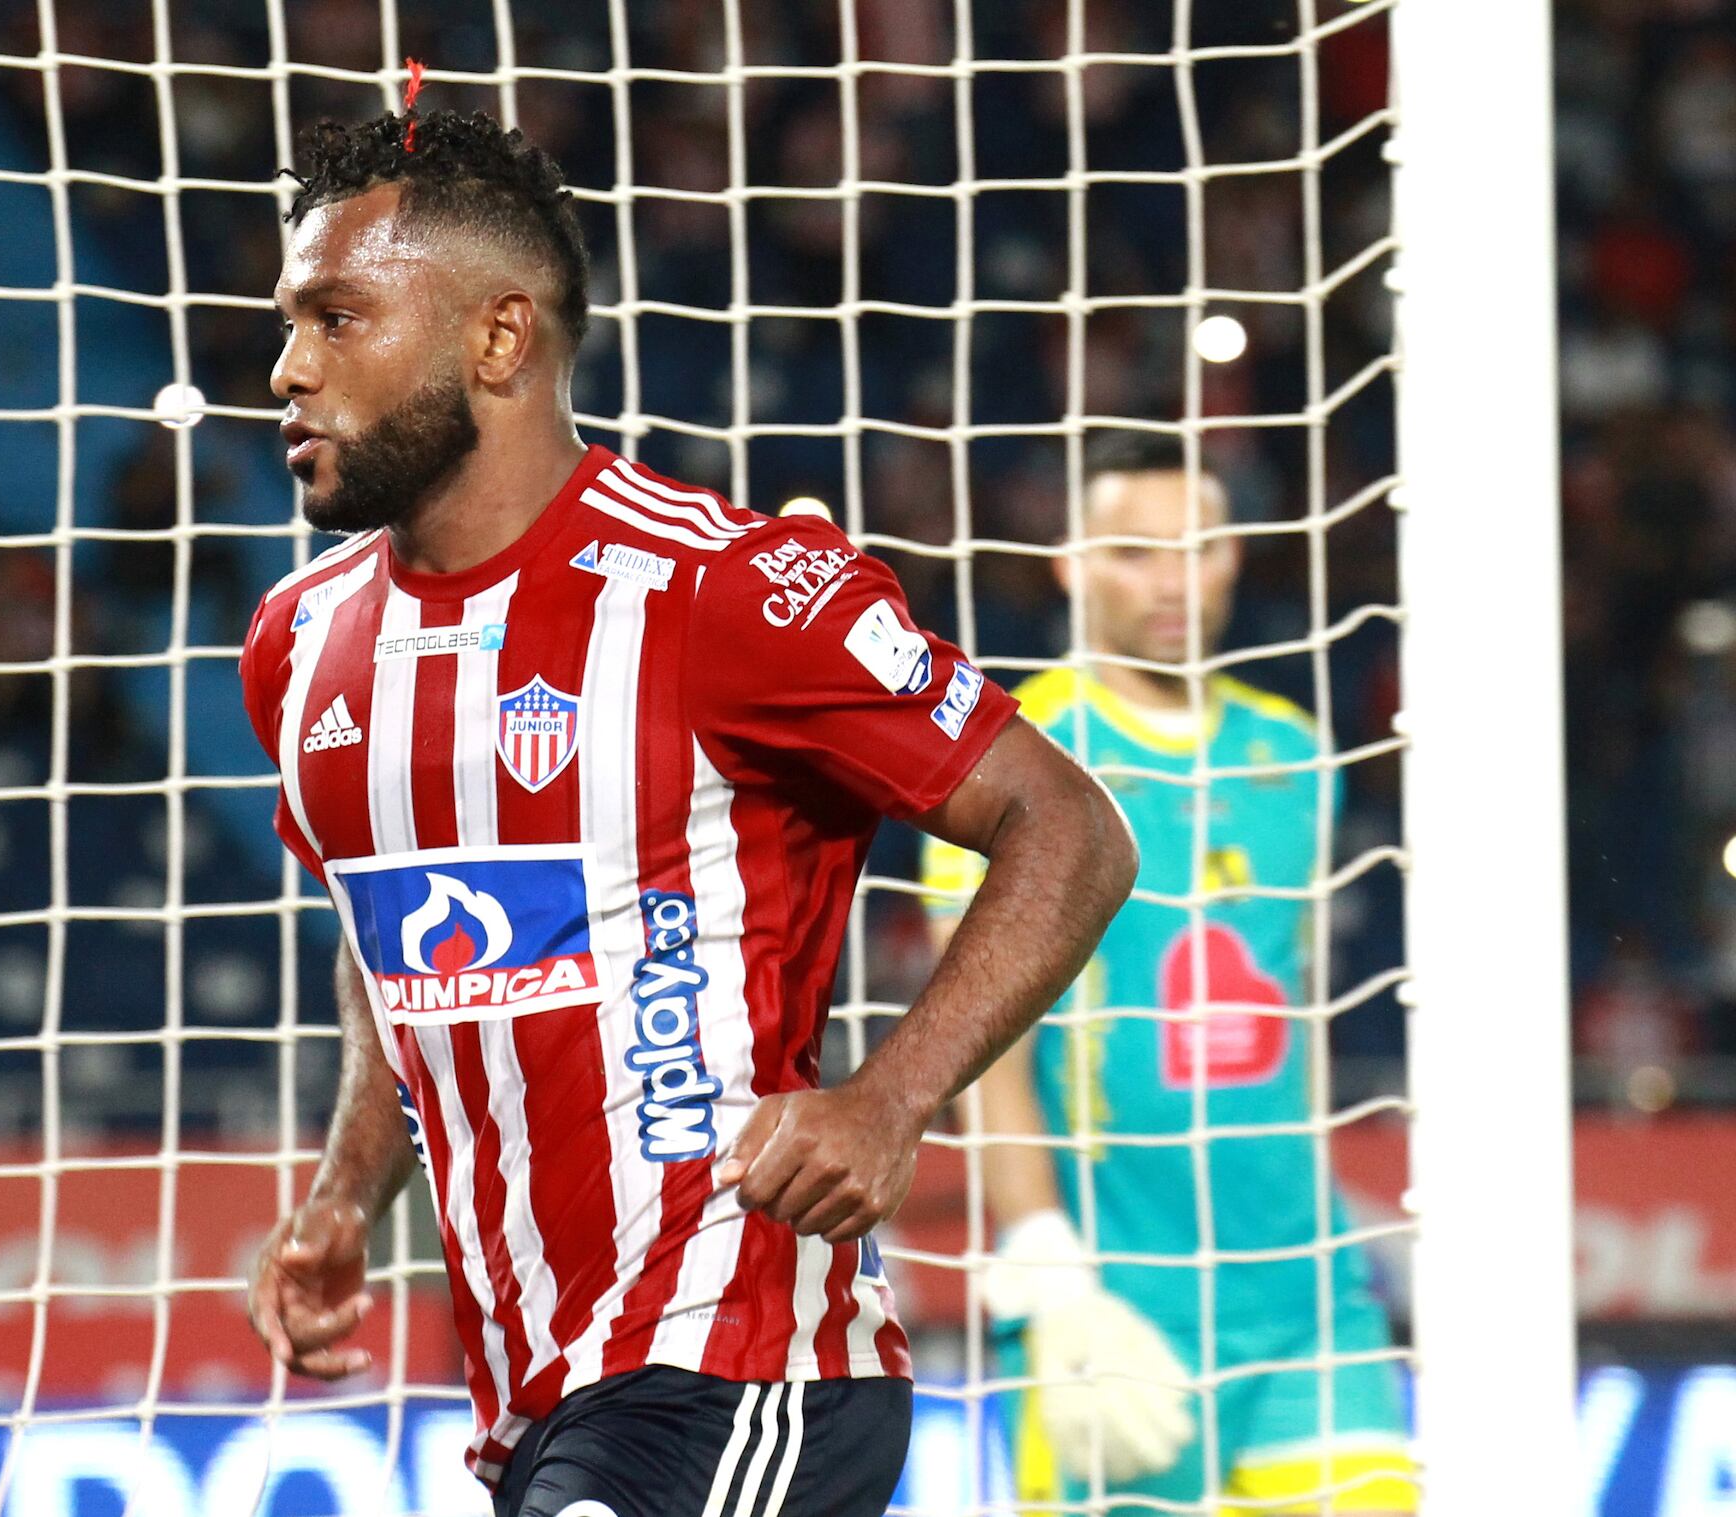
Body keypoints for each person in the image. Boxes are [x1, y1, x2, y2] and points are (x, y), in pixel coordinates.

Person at [237, 101, 1137, 1517]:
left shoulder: (721, 588)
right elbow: (386, 926)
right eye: (290, 323)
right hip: (531, 1387)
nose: (287, 368)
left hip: (745, 1353)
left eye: (337, 319)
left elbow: (1071, 826)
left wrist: (889, 1102)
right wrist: (352, 1189)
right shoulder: (298, 646)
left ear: (499, 337)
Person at [921, 433, 1415, 1514]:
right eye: (1136, 552)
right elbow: (975, 1038)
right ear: (1070, 564)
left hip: (1307, 1289)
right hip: (1117, 1292)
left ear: (1237, 556)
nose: (1172, 581)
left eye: (1197, 549)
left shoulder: (1293, 754)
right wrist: (1045, 1263)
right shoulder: (1012, 755)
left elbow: (1295, 1006)